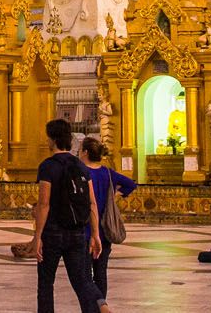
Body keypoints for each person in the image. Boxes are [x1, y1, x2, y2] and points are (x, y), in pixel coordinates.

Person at [31, 118, 101, 313]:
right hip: (77, 232)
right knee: (82, 282)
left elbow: (44, 204)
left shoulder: (48, 166)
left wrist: (37, 236)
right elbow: (92, 202)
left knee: (46, 283)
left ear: (52, 139)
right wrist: (95, 234)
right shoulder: (80, 166)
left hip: (52, 232)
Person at [79, 137, 135, 311]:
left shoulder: (81, 172)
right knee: (100, 272)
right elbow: (130, 184)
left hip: (86, 231)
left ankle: (97, 306)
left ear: (86, 152)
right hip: (105, 230)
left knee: (85, 274)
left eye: (81, 149)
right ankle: (101, 305)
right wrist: (116, 195)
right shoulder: (108, 173)